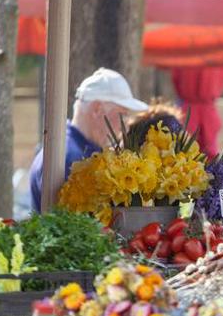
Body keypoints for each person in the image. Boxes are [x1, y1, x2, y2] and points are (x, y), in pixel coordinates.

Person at [28, 68, 148, 210]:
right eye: (122, 115)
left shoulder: (71, 148)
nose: (124, 126)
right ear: (97, 109)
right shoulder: (69, 156)